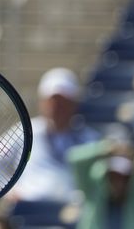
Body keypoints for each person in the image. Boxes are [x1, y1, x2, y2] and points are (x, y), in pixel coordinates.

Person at [8, 68, 100, 202]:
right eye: (52, 101)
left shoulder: (90, 138)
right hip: (29, 212)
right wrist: (11, 190)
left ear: (74, 104)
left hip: (73, 213)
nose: (56, 107)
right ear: (42, 103)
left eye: (63, 102)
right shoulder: (26, 131)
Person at [68, 140, 134, 229]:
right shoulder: (93, 186)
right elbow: (73, 158)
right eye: (113, 176)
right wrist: (104, 148)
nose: (117, 181)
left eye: (123, 177)